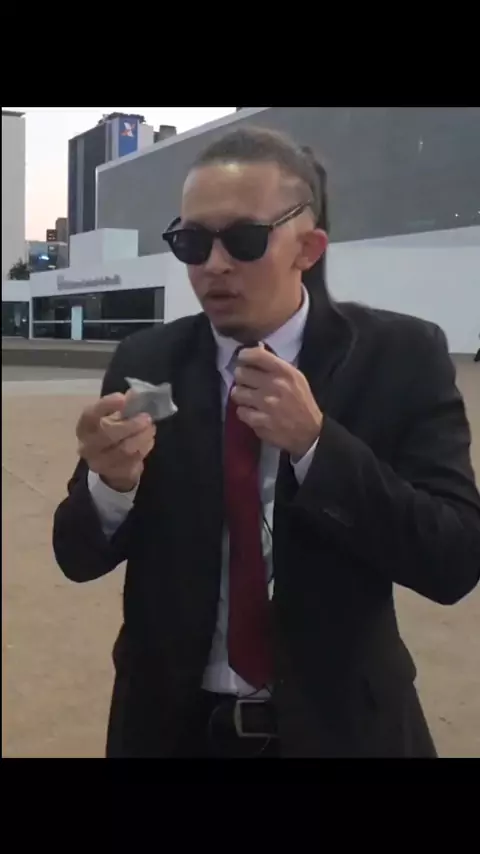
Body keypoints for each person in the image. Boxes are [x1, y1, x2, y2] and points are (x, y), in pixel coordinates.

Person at [53, 127, 480, 758]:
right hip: (172, 731)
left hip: (344, 732)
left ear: (308, 247)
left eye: (244, 240)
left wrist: (317, 446)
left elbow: (453, 559)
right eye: (192, 242)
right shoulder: (149, 362)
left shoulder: (399, 357)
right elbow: (76, 555)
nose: (214, 265)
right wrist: (110, 486)